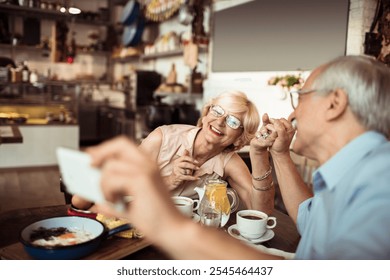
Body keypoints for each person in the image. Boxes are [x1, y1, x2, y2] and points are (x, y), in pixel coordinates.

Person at [92, 55, 389, 259]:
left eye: (300, 97)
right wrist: (278, 153)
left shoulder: (380, 184)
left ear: (334, 103)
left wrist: (173, 228)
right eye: (217, 113)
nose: (294, 111)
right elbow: (307, 219)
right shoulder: (346, 178)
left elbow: (263, 215)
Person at [73, 90, 276, 213]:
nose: (220, 122)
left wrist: (259, 154)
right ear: (206, 114)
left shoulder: (228, 161)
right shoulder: (163, 138)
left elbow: (261, 212)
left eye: (233, 121)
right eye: (217, 111)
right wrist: (171, 179)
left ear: (240, 137)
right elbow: (117, 188)